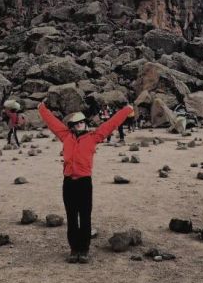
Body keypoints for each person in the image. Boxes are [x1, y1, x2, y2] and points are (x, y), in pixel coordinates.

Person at [38, 101, 132, 264]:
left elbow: (111, 124)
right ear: (72, 126)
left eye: (82, 122)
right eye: (77, 123)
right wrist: (41, 108)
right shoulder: (65, 136)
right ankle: (74, 250)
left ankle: (84, 249)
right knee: (72, 217)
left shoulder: (94, 137)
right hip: (69, 183)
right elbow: (52, 122)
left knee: (85, 217)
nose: (80, 125)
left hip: (84, 183)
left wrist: (126, 110)